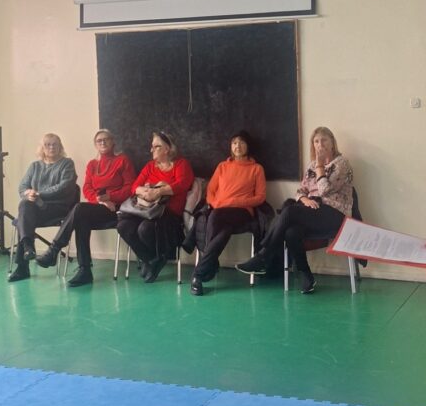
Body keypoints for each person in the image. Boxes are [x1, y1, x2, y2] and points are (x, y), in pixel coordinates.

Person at [236, 126, 352, 294]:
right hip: (314, 210)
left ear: (332, 143)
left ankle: (263, 256)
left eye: (324, 140)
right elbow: (300, 191)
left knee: (289, 211)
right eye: (316, 141)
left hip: (335, 213)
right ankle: (306, 275)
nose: (320, 145)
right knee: (291, 232)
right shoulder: (312, 166)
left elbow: (325, 190)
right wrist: (305, 199)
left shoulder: (341, 163)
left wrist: (320, 166)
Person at [35, 129, 136, 287]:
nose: (102, 142)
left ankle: (55, 251)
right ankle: (84, 270)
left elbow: (130, 188)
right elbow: (87, 188)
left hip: (117, 209)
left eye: (106, 139)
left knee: (80, 210)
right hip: (99, 208)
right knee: (81, 218)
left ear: (113, 142)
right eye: (99, 140)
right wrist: (100, 201)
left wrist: (110, 197)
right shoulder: (92, 165)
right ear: (95, 145)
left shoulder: (123, 160)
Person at [190, 130, 266, 297]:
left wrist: (235, 202)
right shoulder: (222, 166)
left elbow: (260, 197)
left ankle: (200, 272)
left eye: (241, 142)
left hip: (242, 213)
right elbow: (211, 191)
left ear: (248, 146)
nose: (237, 146)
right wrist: (215, 203)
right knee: (223, 232)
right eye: (234, 143)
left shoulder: (256, 169)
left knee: (216, 216)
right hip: (220, 211)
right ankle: (202, 273)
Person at [117, 130, 194, 283]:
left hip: (168, 213)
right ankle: (152, 259)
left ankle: (157, 258)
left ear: (167, 149)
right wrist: (145, 191)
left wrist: (158, 192)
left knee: (145, 228)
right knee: (123, 226)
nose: (151, 149)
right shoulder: (150, 166)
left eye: (156, 146)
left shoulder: (181, 164)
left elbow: (183, 184)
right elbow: (134, 187)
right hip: (145, 211)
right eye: (152, 146)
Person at [9, 133, 78, 283]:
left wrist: (39, 194)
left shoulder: (67, 163)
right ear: (42, 147)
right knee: (25, 205)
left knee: (23, 218)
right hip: (38, 208)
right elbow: (22, 187)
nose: (51, 147)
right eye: (48, 144)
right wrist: (28, 193)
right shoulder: (35, 166)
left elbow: (64, 187)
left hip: (58, 208)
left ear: (60, 146)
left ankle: (22, 266)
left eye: (55, 144)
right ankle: (28, 248)